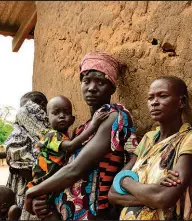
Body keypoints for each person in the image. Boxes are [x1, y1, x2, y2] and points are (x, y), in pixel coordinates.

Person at [24, 51, 138, 220]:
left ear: (112, 87)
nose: (92, 88)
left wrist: (32, 192)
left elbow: (75, 169)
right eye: (86, 81)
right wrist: (43, 201)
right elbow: (60, 168)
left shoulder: (115, 116)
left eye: (100, 82)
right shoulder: (82, 129)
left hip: (97, 213)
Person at [107, 76, 192, 220]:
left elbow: (164, 197)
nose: (154, 103)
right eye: (150, 98)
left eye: (163, 96)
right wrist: (152, 194)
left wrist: (125, 181)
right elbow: (112, 194)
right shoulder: (148, 139)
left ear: (182, 102)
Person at [26, 96, 109, 210]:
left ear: (72, 119)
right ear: (47, 118)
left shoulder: (66, 137)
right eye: (56, 113)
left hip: (52, 186)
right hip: (42, 185)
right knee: (47, 214)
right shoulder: (50, 135)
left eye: (66, 112)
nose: (61, 116)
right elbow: (71, 146)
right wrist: (94, 125)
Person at [5, 91, 49, 220]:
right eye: (22, 109)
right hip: (24, 185)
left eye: (28, 108)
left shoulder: (48, 129)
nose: (24, 113)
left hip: (38, 186)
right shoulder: (20, 132)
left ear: (42, 106)